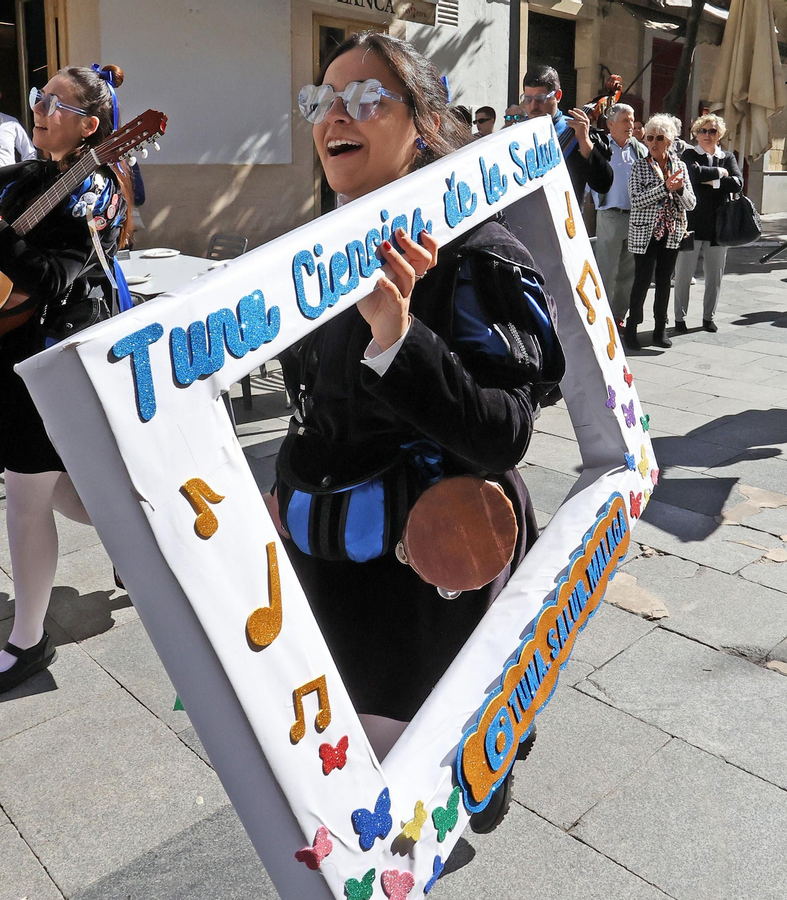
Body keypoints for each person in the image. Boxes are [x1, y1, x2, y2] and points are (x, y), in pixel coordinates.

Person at [279, 32, 563, 833]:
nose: (335, 114)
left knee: (392, 795)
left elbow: (503, 432)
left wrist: (400, 340)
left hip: (426, 558)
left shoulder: (477, 253)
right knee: (345, 758)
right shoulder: (311, 252)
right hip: (327, 550)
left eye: (366, 98)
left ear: (423, 122)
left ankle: (489, 748)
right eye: (322, 99)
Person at [0, 64, 133, 699]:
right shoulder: (29, 174)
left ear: (90, 126)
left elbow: (50, 279)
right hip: (16, 348)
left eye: (56, 103)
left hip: (57, 353)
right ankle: (145, 545)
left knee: (26, 496)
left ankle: (28, 639)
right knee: (66, 493)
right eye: (40, 97)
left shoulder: (97, 190)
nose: (38, 108)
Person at [624, 114, 695, 350]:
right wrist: (664, 188)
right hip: (645, 233)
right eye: (650, 137)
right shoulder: (639, 166)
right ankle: (632, 328)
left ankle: (660, 329)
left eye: (660, 138)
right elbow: (636, 199)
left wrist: (680, 188)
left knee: (664, 282)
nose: (653, 142)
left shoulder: (680, 167)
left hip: (672, 232)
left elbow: (691, 203)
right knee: (642, 281)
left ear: (670, 141)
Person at [674, 113, 742, 332]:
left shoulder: (728, 157)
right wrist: (720, 175)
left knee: (715, 277)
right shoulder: (688, 154)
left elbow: (737, 183)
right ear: (695, 133)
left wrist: (710, 181)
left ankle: (708, 318)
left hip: (719, 226)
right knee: (684, 275)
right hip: (691, 224)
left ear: (719, 134)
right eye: (702, 130)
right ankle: (679, 319)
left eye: (712, 131)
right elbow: (691, 175)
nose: (707, 135)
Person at [521, 65, 612, 204]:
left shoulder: (577, 132)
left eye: (540, 99)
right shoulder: (517, 133)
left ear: (558, 96)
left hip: (566, 220)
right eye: (528, 99)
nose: (533, 106)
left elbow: (603, 184)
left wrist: (585, 142)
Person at [592, 103, 642, 328]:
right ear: (610, 124)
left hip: (635, 217)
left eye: (632, 120)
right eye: (625, 120)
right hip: (610, 216)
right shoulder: (600, 146)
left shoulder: (639, 149)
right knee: (606, 271)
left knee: (627, 273)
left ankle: (618, 316)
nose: (630, 125)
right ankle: (602, 318)